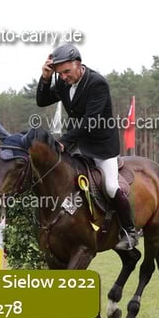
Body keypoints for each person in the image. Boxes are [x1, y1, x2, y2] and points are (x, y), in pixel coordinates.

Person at [36, 44, 139, 250]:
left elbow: (90, 121)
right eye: (59, 73)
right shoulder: (64, 82)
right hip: (77, 143)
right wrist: (46, 78)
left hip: (101, 145)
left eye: (67, 72)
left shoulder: (97, 83)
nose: (63, 77)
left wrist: (64, 141)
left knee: (110, 186)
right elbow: (42, 100)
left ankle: (130, 231)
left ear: (78, 64)